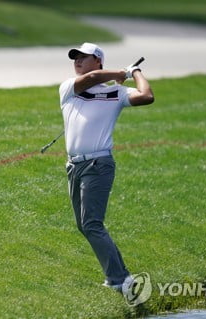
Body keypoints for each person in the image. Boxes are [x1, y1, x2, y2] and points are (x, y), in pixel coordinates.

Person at [59, 43, 154, 298]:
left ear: (98, 60)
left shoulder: (117, 94)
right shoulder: (69, 87)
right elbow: (91, 78)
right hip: (74, 165)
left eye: (83, 57)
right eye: (75, 57)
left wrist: (135, 72)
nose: (77, 61)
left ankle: (120, 279)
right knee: (85, 225)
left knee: (92, 223)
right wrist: (120, 71)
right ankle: (120, 275)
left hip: (99, 164)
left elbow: (147, 96)